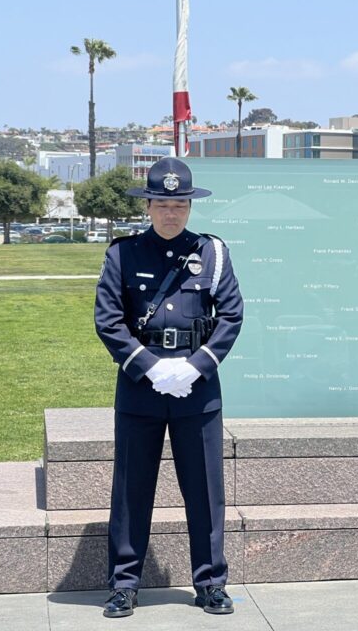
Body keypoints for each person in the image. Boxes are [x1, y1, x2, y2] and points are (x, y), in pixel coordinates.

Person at [94, 157, 243, 617]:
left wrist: (197, 366)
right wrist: (150, 367)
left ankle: (210, 583)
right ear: (149, 206)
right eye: (163, 203)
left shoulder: (213, 253)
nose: (171, 213)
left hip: (198, 390)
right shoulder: (123, 254)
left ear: (189, 206)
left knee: (204, 491)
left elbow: (232, 316)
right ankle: (124, 583)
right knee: (132, 490)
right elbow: (108, 319)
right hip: (142, 388)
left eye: (179, 204)